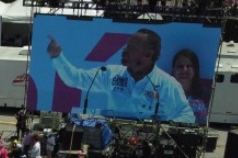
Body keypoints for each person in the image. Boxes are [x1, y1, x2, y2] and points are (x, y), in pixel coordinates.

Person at [45, 29, 194, 123]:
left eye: (132, 48)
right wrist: (57, 57)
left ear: (148, 55)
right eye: (127, 45)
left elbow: (187, 115)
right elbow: (75, 78)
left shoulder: (168, 84)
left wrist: (165, 127)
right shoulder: (110, 73)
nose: (125, 50)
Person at [170, 48, 208, 125]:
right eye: (180, 66)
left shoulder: (205, 95)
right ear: (173, 70)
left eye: (189, 66)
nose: (184, 69)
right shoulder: (163, 93)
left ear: (195, 70)